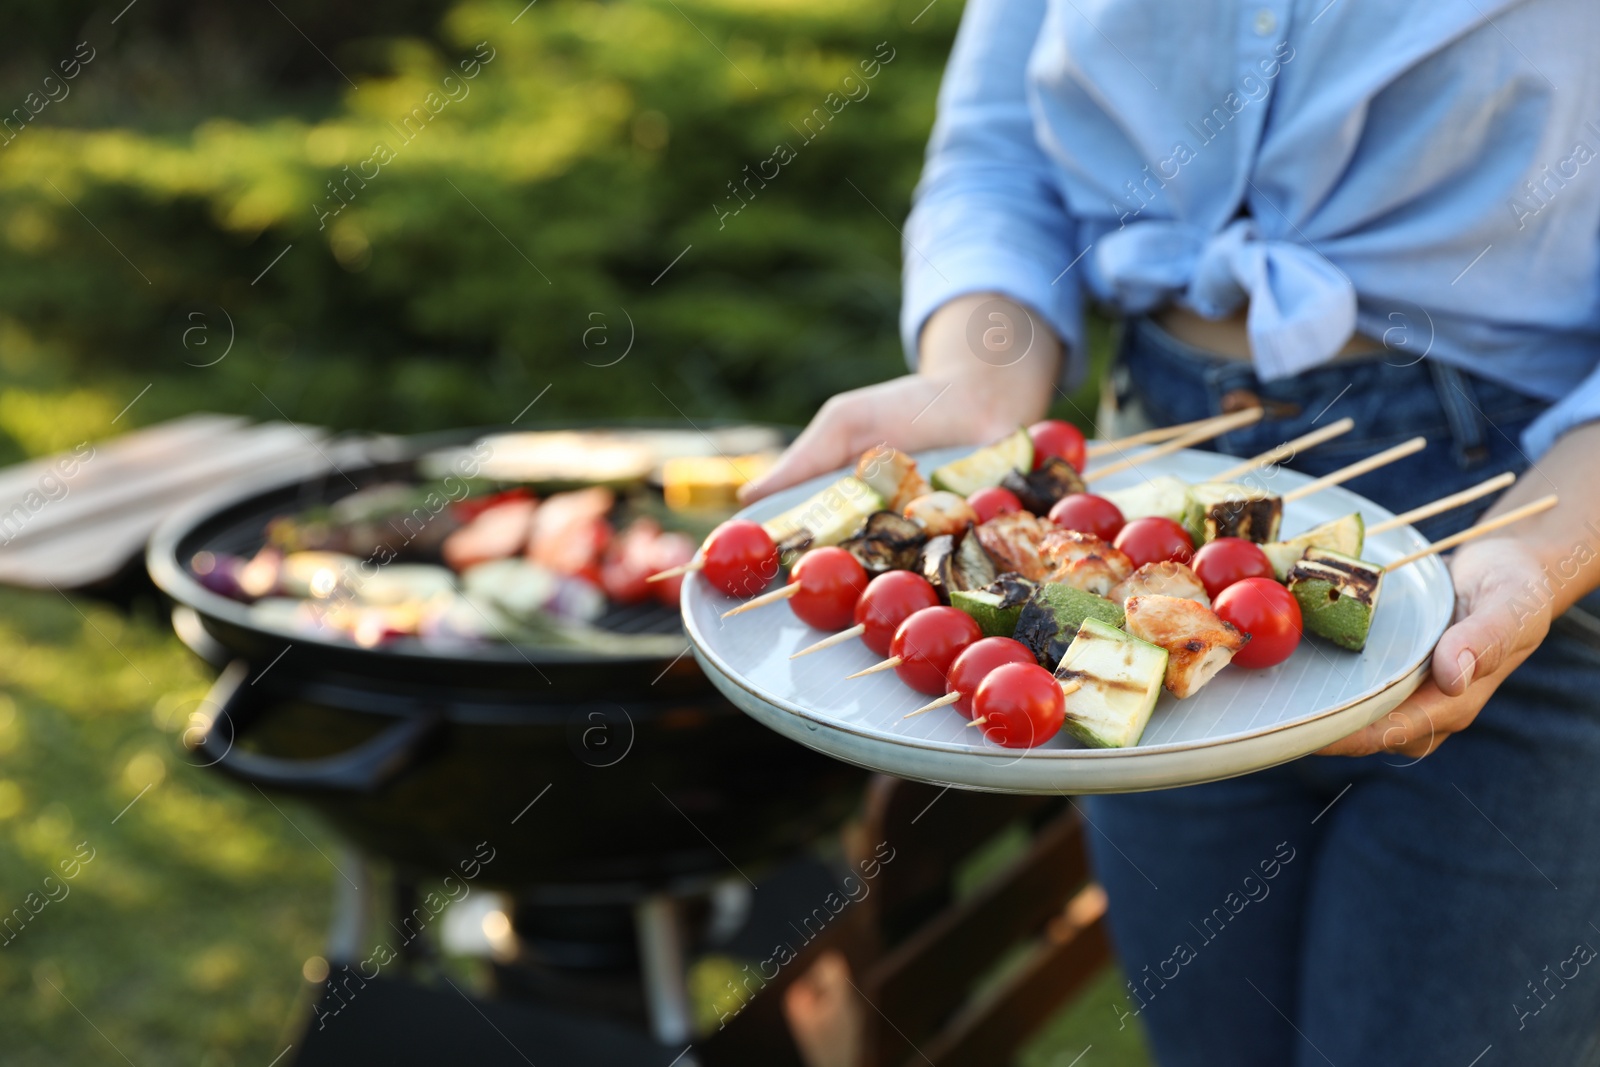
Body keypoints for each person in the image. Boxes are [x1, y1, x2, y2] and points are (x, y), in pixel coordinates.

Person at [739, 1, 1600, 1063]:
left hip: (1517, 502)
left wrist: (1547, 551)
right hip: (1152, 468)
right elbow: (1001, 140)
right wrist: (975, 378)